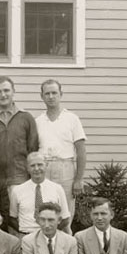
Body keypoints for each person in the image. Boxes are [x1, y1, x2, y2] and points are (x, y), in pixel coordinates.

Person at [36, 79, 87, 221]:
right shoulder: (38, 121)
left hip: (65, 168)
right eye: (47, 93)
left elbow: (81, 151)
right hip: (44, 168)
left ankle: (65, 241)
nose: (51, 96)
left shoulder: (72, 119)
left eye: (54, 93)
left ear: (61, 94)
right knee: (45, 210)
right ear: (42, 96)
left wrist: (79, 179)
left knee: (65, 214)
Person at [0, 76, 39, 188]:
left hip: (20, 177)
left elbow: (33, 148)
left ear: (13, 91)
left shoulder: (26, 117)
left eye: (6, 90)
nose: (3, 95)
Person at [9, 152, 70, 236]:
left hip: (50, 235)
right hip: (26, 235)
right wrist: (24, 232)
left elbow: (65, 218)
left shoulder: (57, 189)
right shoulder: (17, 190)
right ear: (27, 168)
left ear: (46, 165)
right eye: (32, 165)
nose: (36, 169)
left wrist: (50, 232)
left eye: (40, 165)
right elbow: (12, 218)